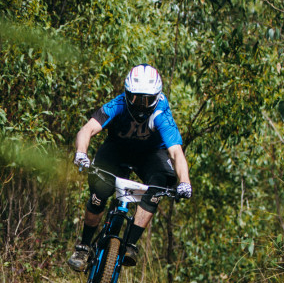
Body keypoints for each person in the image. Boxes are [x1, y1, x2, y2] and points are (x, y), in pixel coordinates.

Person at [67, 64, 193, 272]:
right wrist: (81, 152)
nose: (141, 105)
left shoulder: (162, 113)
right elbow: (88, 128)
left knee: (159, 183)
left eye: (147, 100)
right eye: (135, 98)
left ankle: (130, 244)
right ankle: (83, 246)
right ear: (127, 94)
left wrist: (185, 182)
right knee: (100, 192)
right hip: (117, 150)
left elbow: (176, 152)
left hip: (150, 155)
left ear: (157, 97)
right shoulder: (118, 105)